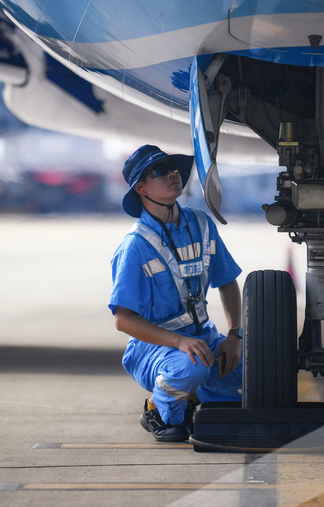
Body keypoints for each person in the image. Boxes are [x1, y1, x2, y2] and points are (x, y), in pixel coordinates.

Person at [108, 145, 244, 442]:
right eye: (157, 172)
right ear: (140, 189)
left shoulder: (202, 224)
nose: (171, 174)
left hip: (202, 338)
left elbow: (227, 281)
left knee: (254, 370)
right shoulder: (135, 246)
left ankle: (198, 397)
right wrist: (180, 341)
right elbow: (123, 320)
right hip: (155, 347)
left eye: (172, 169)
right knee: (190, 370)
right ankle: (157, 409)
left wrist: (234, 336)